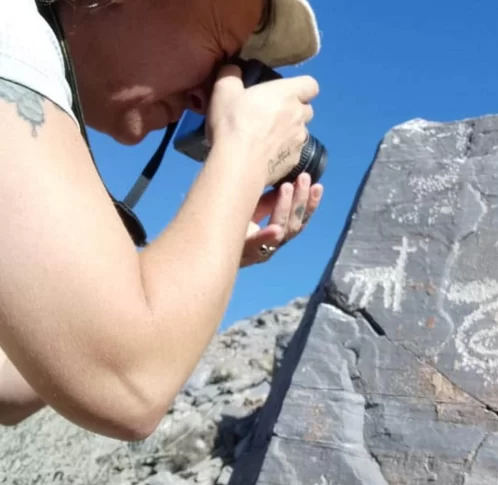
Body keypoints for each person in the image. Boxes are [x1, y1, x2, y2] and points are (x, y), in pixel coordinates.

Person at [0, 0, 324, 440]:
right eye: (220, 57)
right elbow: (129, 389)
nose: (203, 97)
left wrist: (214, 256)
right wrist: (244, 151)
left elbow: (12, 384)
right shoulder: (12, 37)